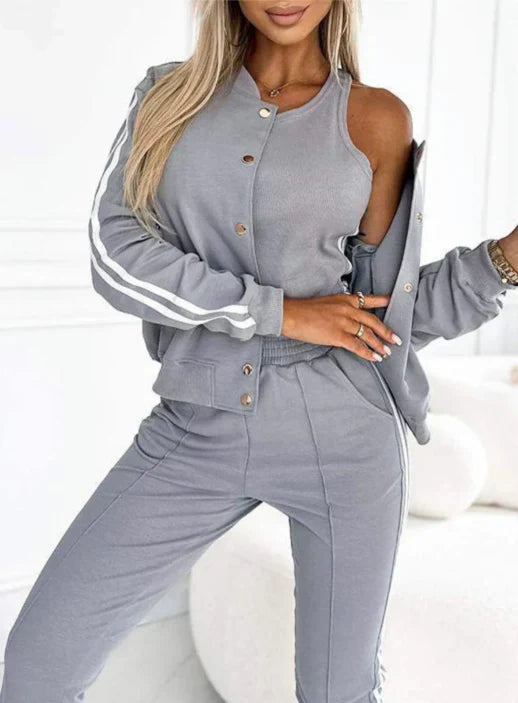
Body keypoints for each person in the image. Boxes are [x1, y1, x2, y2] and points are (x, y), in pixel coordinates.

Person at [2, 1, 517, 702]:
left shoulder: (376, 120)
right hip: (197, 423)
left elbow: (385, 313)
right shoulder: (167, 98)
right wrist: (279, 312)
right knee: (39, 665)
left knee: (338, 693)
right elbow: (115, 256)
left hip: (344, 438)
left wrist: (503, 262)